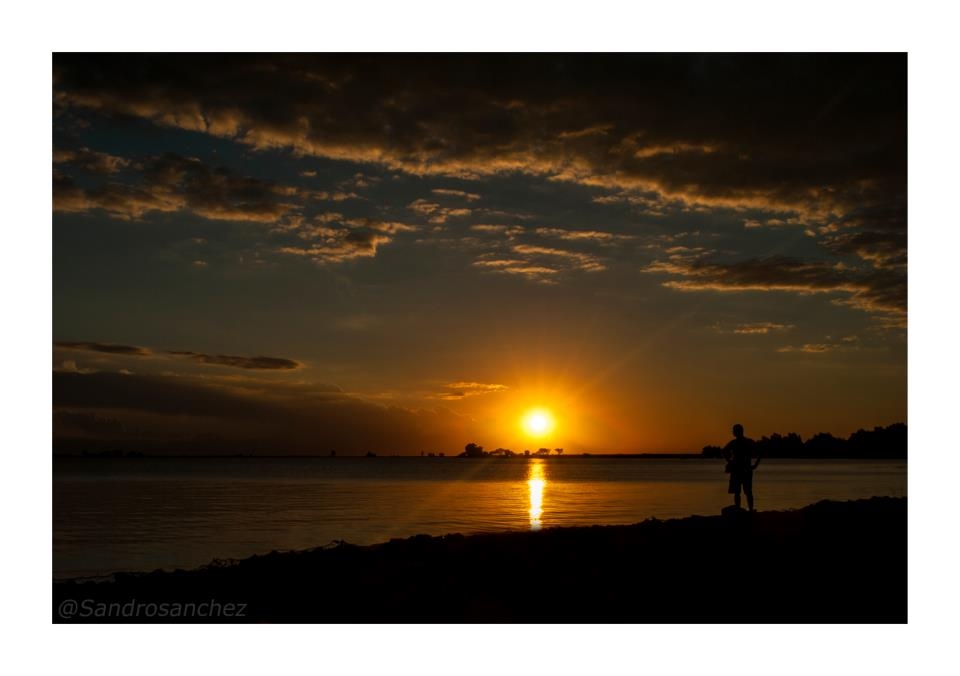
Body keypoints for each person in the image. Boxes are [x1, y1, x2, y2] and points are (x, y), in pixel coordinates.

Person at [722, 423, 761, 511]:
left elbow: (760, 452)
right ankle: (740, 509)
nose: (733, 432)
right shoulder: (734, 442)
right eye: (733, 430)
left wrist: (755, 465)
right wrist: (730, 461)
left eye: (734, 430)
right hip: (738, 469)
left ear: (739, 431)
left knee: (747, 491)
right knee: (739, 492)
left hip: (744, 469)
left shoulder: (747, 442)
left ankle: (749, 509)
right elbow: (723, 451)